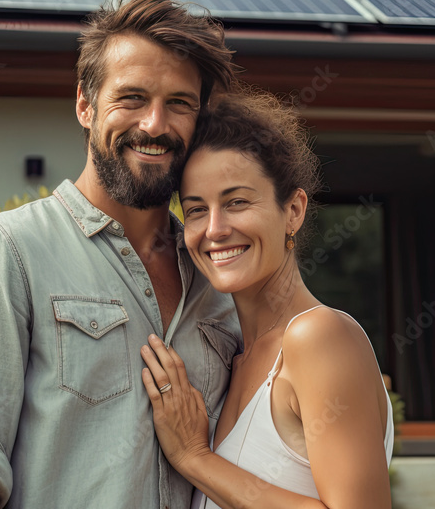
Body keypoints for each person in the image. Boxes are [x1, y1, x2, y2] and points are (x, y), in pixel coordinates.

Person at [0, 0, 241, 509]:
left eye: (179, 103)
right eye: (131, 98)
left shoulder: (219, 280)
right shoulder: (7, 252)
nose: (155, 125)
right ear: (85, 105)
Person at [140, 88, 394, 508]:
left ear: (293, 210)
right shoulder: (234, 357)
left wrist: (194, 457)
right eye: (196, 209)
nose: (215, 229)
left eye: (237, 202)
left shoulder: (319, 337)